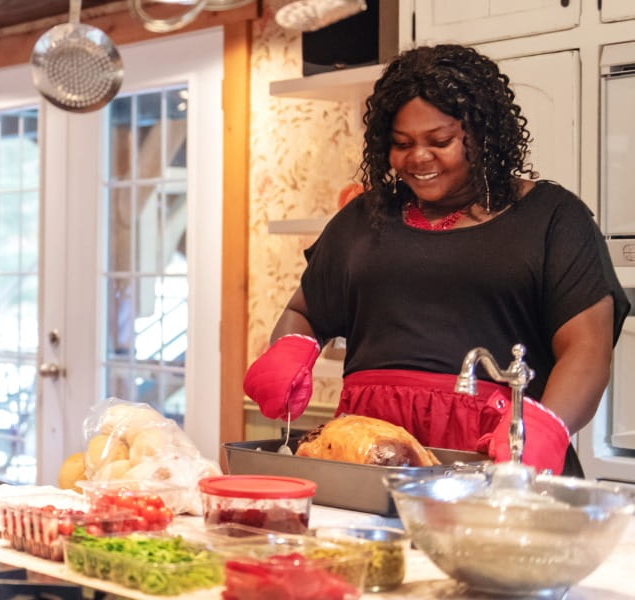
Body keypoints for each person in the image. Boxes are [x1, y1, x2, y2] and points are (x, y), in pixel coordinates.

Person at [244, 44, 629, 476]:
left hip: (497, 457)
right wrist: (290, 350)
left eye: (440, 141)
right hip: (371, 454)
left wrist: (546, 427)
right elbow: (304, 310)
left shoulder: (554, 217)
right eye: (401, 143)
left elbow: (587, 348)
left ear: (483, 136)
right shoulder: (364, 215)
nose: (418, 158)